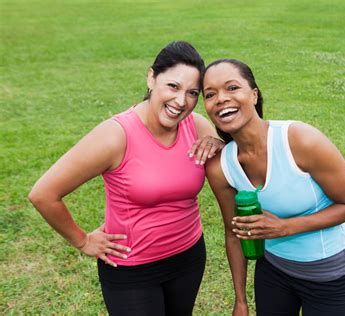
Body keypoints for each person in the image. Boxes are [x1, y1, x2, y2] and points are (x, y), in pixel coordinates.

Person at [28, 41, 223, 315]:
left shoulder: (197, 126)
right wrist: (83, 241)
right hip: (133, 269)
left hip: (188, 256)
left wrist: (219, 145)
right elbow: (43, 194)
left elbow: (237, 172)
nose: (181, 102)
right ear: (152, 77)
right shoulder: (116, 135)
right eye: (173, 86)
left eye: (192, 93)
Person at [203, 59, 345, 316]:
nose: (221, 98)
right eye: (210, 94)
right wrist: (241, 301)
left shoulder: (300, 140)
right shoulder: (220, 167)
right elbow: (234, 233)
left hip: (326, 274)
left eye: (232, 88)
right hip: (273, 271)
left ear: (254, 95)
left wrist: (285, 227)